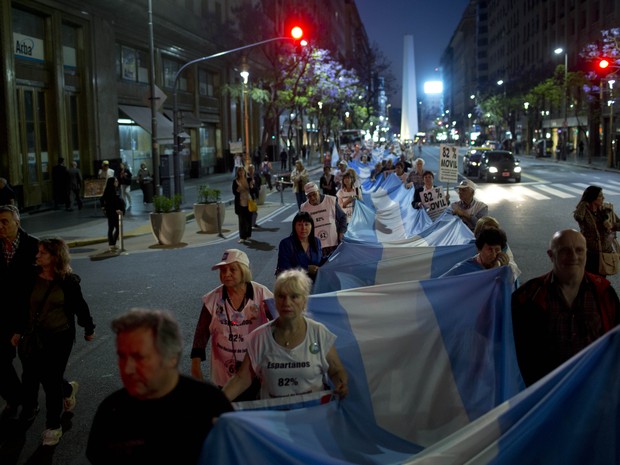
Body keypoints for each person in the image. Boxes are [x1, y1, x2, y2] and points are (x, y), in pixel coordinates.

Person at [87, 308, 233, 464]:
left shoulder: (209, 403)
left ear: (171, 357)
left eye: (139, 357)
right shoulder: (111, 410)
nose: (127, 369)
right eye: (122, 356)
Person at [13, 237, 96, 445]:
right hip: (33, 336)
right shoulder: (31, 276)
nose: (37, 255)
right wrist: (17, 331)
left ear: (55, 256)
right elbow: (21, 307)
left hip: (60, 337)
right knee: (34, 375)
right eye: (38, 252)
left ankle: (53, 426)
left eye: (42, 253)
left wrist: (88, 328)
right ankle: (67, 389)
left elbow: (80, 307)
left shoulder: (68, 281)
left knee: (50, 380)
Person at [512, 229, 620, 387]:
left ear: (586, 253)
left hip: (595, 390)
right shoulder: (528, 296)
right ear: (551, 255)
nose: (574, 257)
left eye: (579, 250)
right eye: (565, 250)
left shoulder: (604, 292)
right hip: (547, 394)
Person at [222, 269, 348, 401]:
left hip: (311, 415)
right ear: (275, 300)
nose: (287, 303)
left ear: (304, 301)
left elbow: (336, 370)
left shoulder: (319, 333)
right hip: (274, 417)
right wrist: (215, 404)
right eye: (281, 296)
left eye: (294, 296)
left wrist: (341, 384)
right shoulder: (259, 337)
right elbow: (241, 379)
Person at [190, 249, 273, 401]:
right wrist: (195, 363)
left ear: (244, 271)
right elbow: (201, 332)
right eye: (223, 270)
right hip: (224, 371)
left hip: (256, 368)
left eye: (232, 269)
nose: (226, 274)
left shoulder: (262, 294)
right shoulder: (212, 298)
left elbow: (280, 323)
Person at [0, 205, 38, 420]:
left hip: (28, 317)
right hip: (2, 316)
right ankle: (15, 398)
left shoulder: (34, 246)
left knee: (31, 367)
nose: (0, 227)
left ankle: (30, 405)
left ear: (18, 222)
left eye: (5, 221)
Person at [573, 185, 620, 276]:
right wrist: (584, 203)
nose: (603, 198)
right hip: (590, 252)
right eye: (600, 196)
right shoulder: (584, 213)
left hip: (605, 251)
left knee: (601, 280)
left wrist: (612, 225)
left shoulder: (606, 210)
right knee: (589, 280)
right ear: (592, 198)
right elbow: (578, 217)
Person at [301, 182, 347, 259]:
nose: (312, 198)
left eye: (314, 194)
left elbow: (342, 217)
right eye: (309, 196)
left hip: (333, 243)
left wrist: (341, 232)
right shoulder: (304, 208)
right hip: (316, 247)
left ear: (318, 192)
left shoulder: (330, 200)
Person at [441, 228, 510, 277]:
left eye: (497, 250)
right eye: (490, 249)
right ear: (479, 249)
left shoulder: (504, 266)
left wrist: (504, 272)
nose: (494, 255)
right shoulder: (461, 270)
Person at [276, 211, 322, 280]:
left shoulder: (316, 241)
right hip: (295, 285)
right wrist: (306, 269)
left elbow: (320, 261)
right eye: (300, 225)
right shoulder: (286, 244)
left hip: (316, 284)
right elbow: (284, 268)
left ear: (312, 226)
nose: (303, 228)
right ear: (294, 226)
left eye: (306, 224)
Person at [100, 177, 125, 252]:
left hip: (111, 211)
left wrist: (103, 207)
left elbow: (102, 199)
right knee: (116, 227)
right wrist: (104, 207)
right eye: (116, 181)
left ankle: (112, 244)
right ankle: (112, 243)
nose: (117, 182)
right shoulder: (111, 190)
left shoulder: (113, 189)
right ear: (112, 182)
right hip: (112, 211)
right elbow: (106, 200)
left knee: (112, 227)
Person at [232, 166, 252, 243]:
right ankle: (242, 237)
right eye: (239, 171)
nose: (241, 173)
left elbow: (252, 190)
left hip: (248, 202)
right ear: (238, 173)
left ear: (244, 172)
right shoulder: (235, 181)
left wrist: (251, 186)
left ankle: (248, 235)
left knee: (248, 220)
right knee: (241, 221)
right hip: (240, 203)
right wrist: (238, 190)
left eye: (242, 171)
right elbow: (234, 192)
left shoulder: (248, 180)